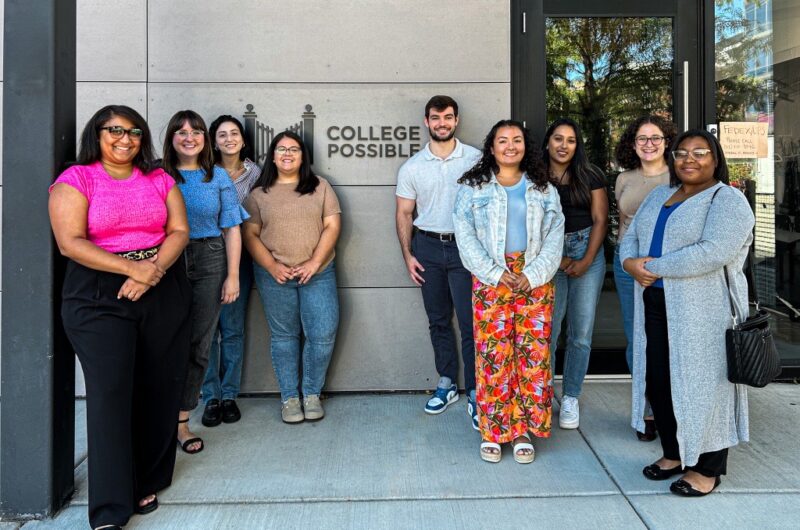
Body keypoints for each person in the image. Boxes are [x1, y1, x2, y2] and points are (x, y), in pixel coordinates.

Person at [49, 105, 191, 528]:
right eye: (115, 130)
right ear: (98, 133)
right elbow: (70, 242)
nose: (125, 139)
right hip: (98, 294)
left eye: (133, 131)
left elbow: (179, 231)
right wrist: (133, 270)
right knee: (111, 394)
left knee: (159, 387)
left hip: (161, 285)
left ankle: (146, 477)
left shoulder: (159, 177)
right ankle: (110, 509)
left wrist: (152, 273)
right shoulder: (76, 178)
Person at [621, 129, 754, 497]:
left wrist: (654, 267)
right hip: (655, 303)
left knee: (703, 384)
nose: (690, 160)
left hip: (703, 310)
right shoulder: (658, 196)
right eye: (682, 153)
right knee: (660, 381)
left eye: (700, 152)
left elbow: (713, 251)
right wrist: (630, 262)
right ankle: (675, 452)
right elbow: (630, 237)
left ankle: (708, 468)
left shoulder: (727, 200)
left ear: (715, 159)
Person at [454, 120, 564, 463]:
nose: (510, 146)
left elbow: (554, 234)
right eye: (503, 140)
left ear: (525, 147)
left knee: (530, 358)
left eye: (516, 140)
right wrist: (495, 273)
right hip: (490, 280)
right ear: (492, 147)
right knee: (493, 356)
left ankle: (521, 429)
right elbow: (465, 235)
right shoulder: (473, 187)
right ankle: (493, 428)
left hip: (535, 280)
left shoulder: (543, 189)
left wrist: (531, 275)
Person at [162, 110, 247, 454]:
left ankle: (182, 423)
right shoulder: (158, 173)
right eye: (181, 132)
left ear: (204, 139)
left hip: (211, 257)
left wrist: (232, 276)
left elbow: (232, 229)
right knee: (164, 341)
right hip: (168, 259)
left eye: (195, 131)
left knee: (199, 343)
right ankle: (157, 417)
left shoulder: (218, 177)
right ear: (171, 138)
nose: (189, 137)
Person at [395, 95, 482, 427]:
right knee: (438, 320)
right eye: (436, 117)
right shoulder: (413, 166)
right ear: (427, 121)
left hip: (466, 250)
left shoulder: (476, 159)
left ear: (456, 120)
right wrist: (408, 255)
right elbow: (404, 213)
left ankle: (475, 390)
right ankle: (447, 382)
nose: (442, 123)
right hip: (428, 248)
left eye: (448, 117)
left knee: (471, 323)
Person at [243, 131, 341, 423]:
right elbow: (250, 235)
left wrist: (314, 262)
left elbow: (332, 226)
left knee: (321, 334)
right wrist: (272, 266)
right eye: (281, 149)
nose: (287, 154)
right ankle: (289, 398)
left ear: (303, 156)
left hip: (318, 273)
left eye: (294, 149)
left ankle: (311, 394)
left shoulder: (320, 186)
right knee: (284, 337)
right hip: (275, 276)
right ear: (272, 156)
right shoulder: (259, 194)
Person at [613, 115, 676, 441]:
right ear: (633, 144)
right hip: (627, 265)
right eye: (642, 138)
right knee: (636, 338)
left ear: (667, 142)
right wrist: (629, 261)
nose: (648, 144)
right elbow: (624, 224)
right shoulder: (624, 179)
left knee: (668, 339)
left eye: (655, 138)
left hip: (669, 268)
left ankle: (672, 407)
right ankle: (646, 410)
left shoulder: (678, 177)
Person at [543, 118, 608, 429]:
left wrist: (585, 260)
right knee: (548, 332)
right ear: (547, 142)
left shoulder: (590, 174)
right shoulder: (535, 174)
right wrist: (554, 259)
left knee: (580, 334)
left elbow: (600, 220)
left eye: (570, 140)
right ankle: (543, 394)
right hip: (548, 256)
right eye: (558, 138)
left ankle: (570, 396)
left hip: (587, 252)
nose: (563, 145)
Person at [200, 115, 261, 427]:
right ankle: (209, 395)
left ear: (243, 138)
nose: (228, 139)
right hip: (206, 258)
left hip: (241, 260)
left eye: (234, 133)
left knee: (233, 329)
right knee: (207, 331)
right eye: (221, 135)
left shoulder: (256, 173)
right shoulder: (203, 172)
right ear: (214, 141)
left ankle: (229, 395)